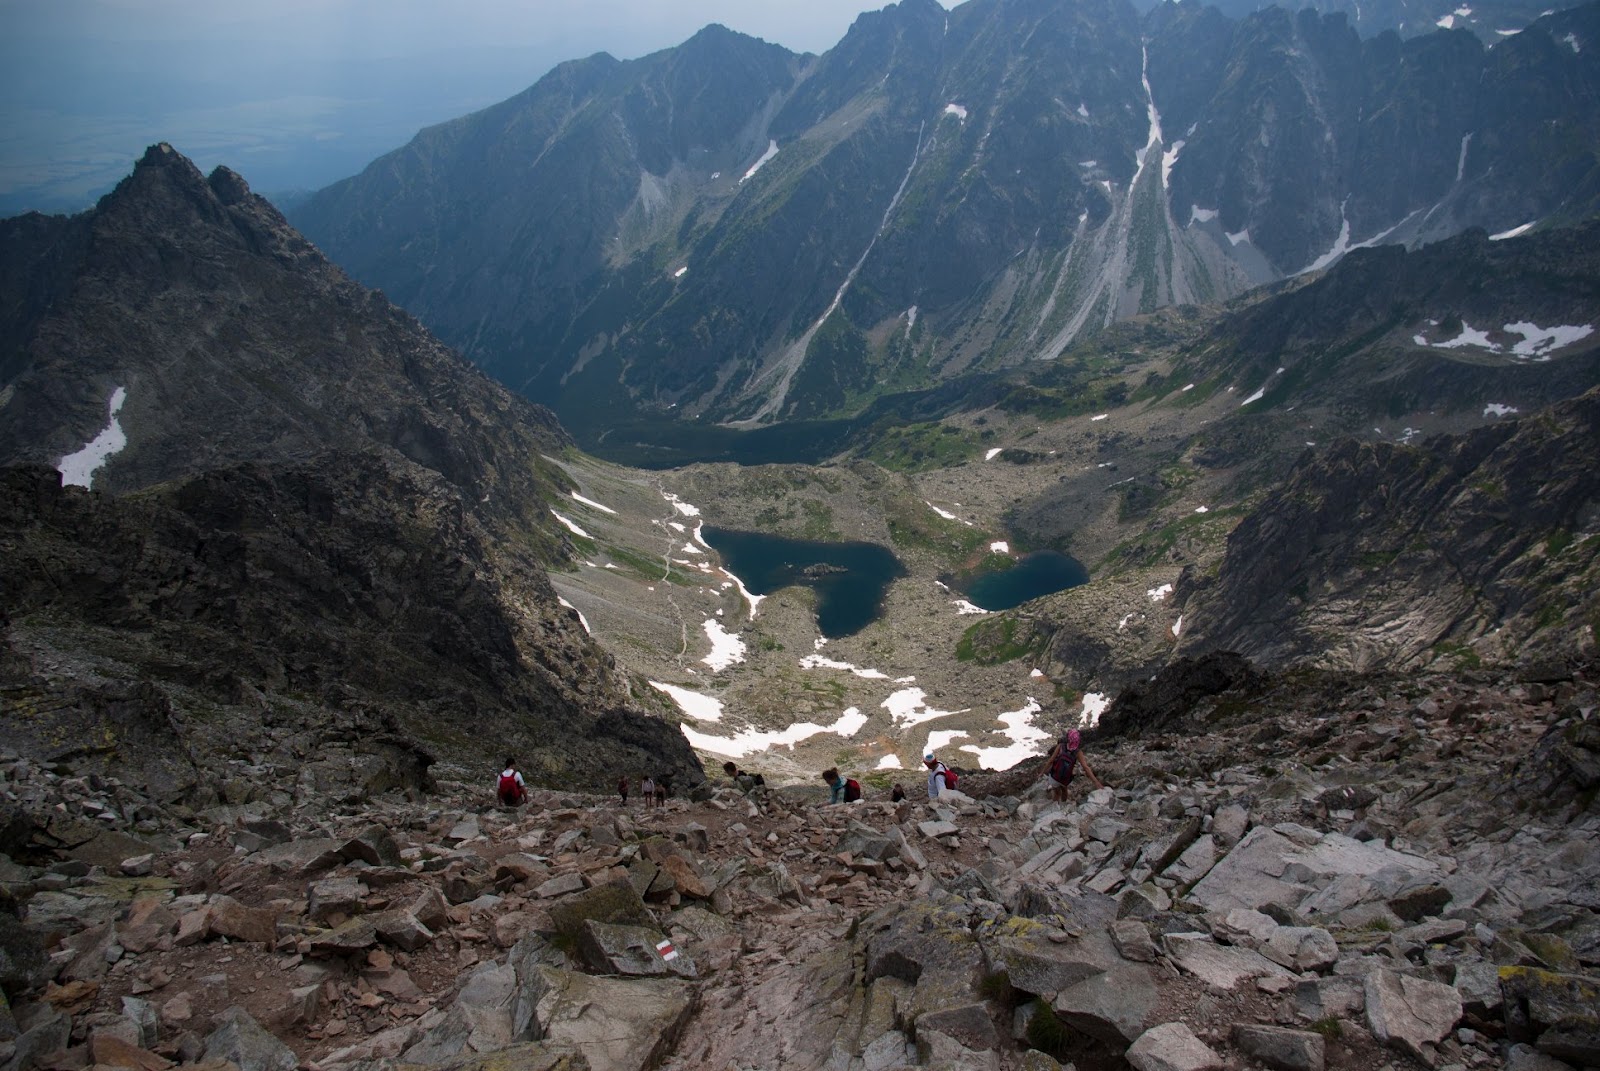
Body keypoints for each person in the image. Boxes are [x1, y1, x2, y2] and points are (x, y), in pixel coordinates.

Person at [1038, 729, 1105, 802]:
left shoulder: (1061, 746)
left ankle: (1055, 805)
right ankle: (1064, 805)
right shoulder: (1078, 752)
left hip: (1054, 776)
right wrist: (1096, 782)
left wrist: (1042, 772)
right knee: (1064, 790)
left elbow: (1051, 760)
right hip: (1065, 779)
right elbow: (1086, 768)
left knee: (1056, 792)